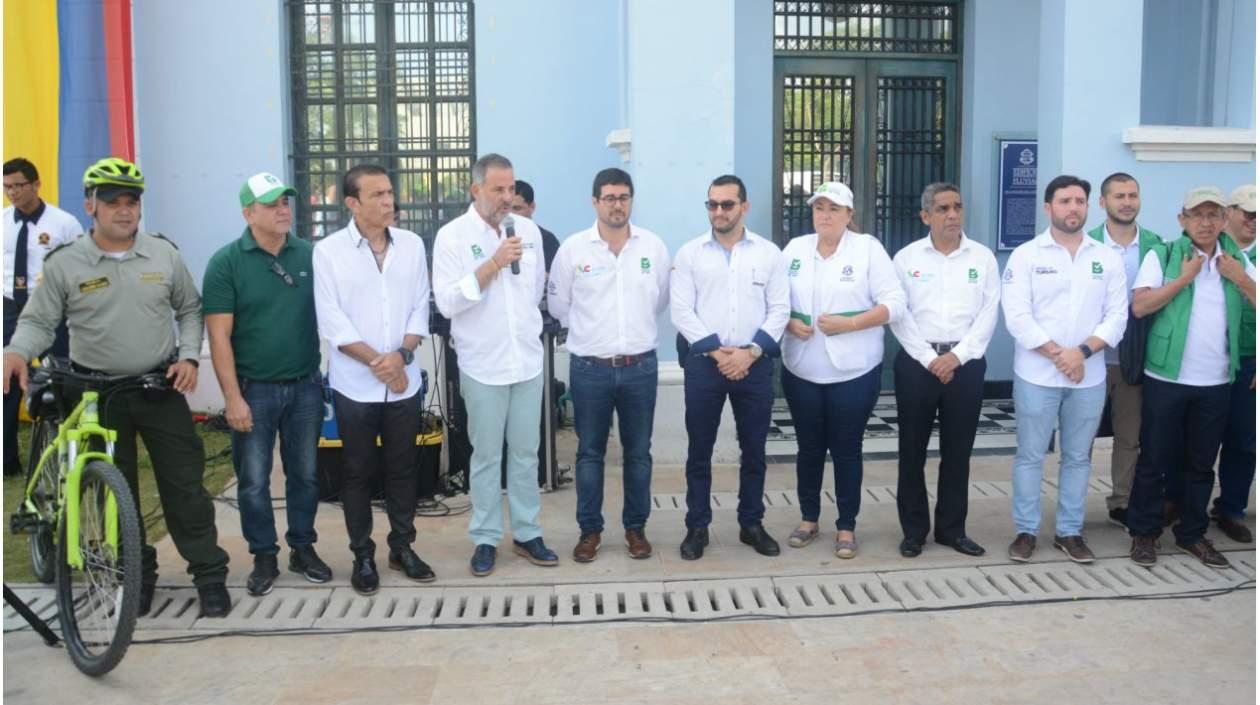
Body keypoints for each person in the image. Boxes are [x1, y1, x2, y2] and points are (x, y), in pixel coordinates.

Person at [3, 157, 232, 617]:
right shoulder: (65, 263)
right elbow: (39, 321)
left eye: (132, 202)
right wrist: (13, 351)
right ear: (91, 206)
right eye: (113, 202)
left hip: (157, 386)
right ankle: (136, 575)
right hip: (95, 395)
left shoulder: (163, 254)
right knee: (115, 492)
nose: (125, 211)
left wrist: (189, 356)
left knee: (184, 488)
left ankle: (209, 576)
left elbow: (189, 309)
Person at [203, 172, 331, 597]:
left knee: (306, 474)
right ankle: (264, 555)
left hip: (306, 386)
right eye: (272, 203)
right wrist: (232, 398)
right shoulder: (226, 263)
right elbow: (218, 336)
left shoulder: (311, 255)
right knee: (254, 478)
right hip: (253, 388)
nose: (283, 210)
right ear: (247, 213)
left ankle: (303, 548)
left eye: (286, 202)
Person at [432, 153, 559, 577]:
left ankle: (527, 532)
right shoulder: (452, 237)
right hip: (482, 364)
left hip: (526, 359)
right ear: (476, 190)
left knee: (526, 453)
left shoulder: (528, 233)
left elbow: (535, 289)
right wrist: (492, 264)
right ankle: (485, 537)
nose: (508, 197)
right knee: (486, 456)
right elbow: (449, 302)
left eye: (512, 188)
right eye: (498, 189)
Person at [313, 164, 435, 594]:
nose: (389, 201)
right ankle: (362, 554)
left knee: (403, 469)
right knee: (357, 472)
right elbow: (333, 320)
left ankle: (402, 546)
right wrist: (379, 363)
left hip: (403, 381)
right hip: (355, 385)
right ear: (352, 203)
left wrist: (401, 356)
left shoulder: (412, 245)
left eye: (390, 193)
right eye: (378, 195)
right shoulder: (328, 252)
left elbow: (421, 303)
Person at [1000, 175, 1128, 564]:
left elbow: (1117, 316)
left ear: (1089, 206)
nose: (1073, 207)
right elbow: (1017, 316)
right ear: (1048, 208)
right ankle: (1025, 530)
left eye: (1079, 201)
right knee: (1031, 455)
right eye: (1065, 201)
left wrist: (1083, 353)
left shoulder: (1106, 258)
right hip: (1037, 376)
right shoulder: (1026, 256)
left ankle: (1069, 532)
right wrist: (1060, 354)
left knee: (1077, 457)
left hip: (1088, 377)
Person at [1127, 186, 1256, 569]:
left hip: (1216, 381)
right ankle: (1145, 532)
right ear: (1182, 219)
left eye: (1213, 215)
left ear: (1223, 220)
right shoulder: (1164, 254)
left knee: (1201, 464)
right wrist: (1185, 278)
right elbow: (1140, 306)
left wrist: (1240, 278)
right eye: (1197, 215)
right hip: (1166, 377)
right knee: (1154, 460)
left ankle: (1192, 535)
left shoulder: (1235, 260)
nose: (1205, 222)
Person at [547, 168, 670, 563]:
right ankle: (590, 531)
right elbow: (559, 306)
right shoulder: (573, 250)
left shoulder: (652, 247)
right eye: (609, 197)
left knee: (638, 453)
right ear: (595, 202)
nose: (617, 204)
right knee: (589, 453)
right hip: (590, 368)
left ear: (631, 200)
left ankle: (636, 529)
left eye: (623, 197)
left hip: (640, 367)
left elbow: (660, 300)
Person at [779, 181, 906, 559]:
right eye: (819, 208)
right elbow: (773, 300)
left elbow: (895, 304)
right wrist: (787, 322)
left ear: (850, 215)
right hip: (801, 368)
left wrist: (851, 325)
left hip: (853, 371)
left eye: (834, 209)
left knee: (847, 450)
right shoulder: (795, 250)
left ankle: (846, 524)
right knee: (808, 448)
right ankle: (808, 517)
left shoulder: (868, 250)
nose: (825, 215)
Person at [670, 174, 789, 561]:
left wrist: (750, 353)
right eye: (712, 204)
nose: (718, 211)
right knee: (699, 450)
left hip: (753, 365)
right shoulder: (690, 254)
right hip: (706, 364)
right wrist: (720, 354)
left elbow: (780, 310)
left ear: (744, 207)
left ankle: (751, 523)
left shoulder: (769, 254)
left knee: (754, 450)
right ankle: (697, 526)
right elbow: (682, 312)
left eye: (726, 204)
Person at [890, 183, 997, 558]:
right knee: (912, 450)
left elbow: (988, 314)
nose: (952, 215)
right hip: (918, 364)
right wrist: (928, 358)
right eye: (942, 209)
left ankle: (952, 529)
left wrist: (958, 356)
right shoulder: (906, 259)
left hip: (965, 365)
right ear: (925, 216)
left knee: (958, 451)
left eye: (957, 207)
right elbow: (898, 315)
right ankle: (914, 531)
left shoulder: (982, 258)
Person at [1085, 173, 1165, 529]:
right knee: (1079, 440)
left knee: (1129, 438)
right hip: (1088, 360)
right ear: (1103, 202)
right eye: (1119, 196)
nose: (1127, 202)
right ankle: (1071, 508)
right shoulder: (1085, 245)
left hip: (1132, 361)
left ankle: (1121, 502)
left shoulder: (1156, 246)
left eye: (1133, 195)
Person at [3, 157, 81, 476]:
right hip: (10, 309)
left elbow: (79, 268)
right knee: (7, 383)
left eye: (18, 186)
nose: (12, 193)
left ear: (36, 184)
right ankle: (7, 459)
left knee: (63, 378)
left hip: (51, 312)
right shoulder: (4, 221)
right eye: (6, 187)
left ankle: (71, 454)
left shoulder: (63, 223)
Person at [1211, 184, 1257, 544]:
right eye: (1249, 213)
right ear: (1230, 213)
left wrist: (1242, 280)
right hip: (1204, 359)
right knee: (1195, 438)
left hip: (1249, 360)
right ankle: (1181, 503)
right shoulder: (1207, 249)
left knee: (1243, 440)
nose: (1255, 222)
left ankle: (1230, 507)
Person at [510, 180, 560, 273]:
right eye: (506, 208)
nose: (511, 215)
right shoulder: (495, 236)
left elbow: (554, 277)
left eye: (517, 208)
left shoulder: (547, 239)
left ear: (532, 207)